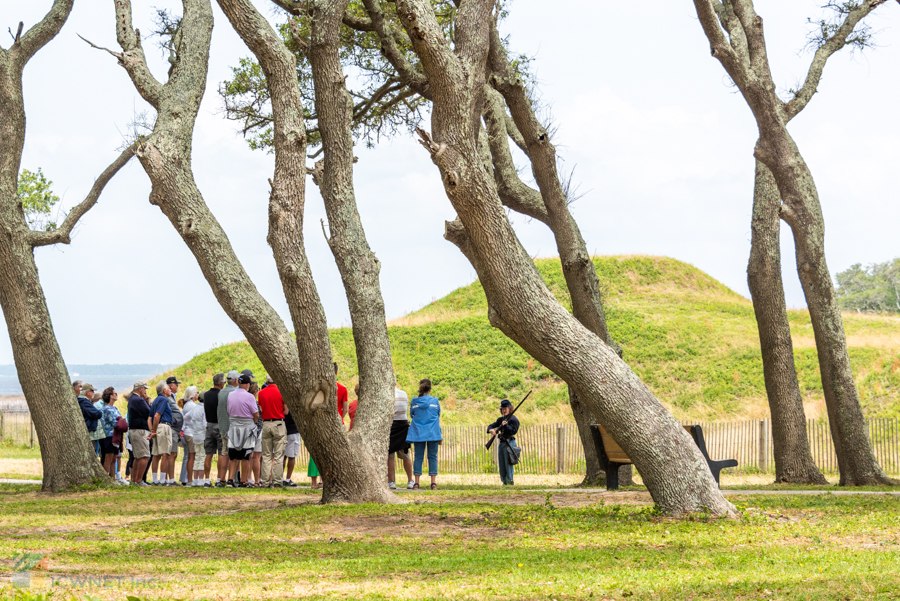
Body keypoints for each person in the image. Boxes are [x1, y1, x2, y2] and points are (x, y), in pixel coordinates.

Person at [406, 378, 442, 490]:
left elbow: (412, 414)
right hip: (433, 432)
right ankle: (433, 482)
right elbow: (438, 413)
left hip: (418, 432)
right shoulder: (435, 401)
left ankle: (416, 483)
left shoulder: (414, 401)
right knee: (432, 456)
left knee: (418, 457)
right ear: (430, 389)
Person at [227, 373, 260, 487]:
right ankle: (243, 480)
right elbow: (255, 414)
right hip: (247, 426)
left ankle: (230, 479)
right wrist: (254, 423)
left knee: (233, 455)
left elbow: (228, 410)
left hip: (233, 426)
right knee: (245, 455)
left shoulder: (230, 395)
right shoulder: (249, 396)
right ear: (246, 385)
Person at [258, 374, 289, 488]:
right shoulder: (281, 392)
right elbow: (286, 411)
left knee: (266, 455)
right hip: (279, 423)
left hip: (266, 423)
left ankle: (265, 481)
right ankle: (277, 481)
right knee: (278, 455)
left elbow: (261, 409)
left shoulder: (261, 393)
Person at [388, 378, 414, 490]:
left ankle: (391, 482)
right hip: (403, 425)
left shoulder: (386, 394)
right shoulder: (403, 394)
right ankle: (410, 480)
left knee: (390, 455)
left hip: (391, 425)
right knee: (405, 454)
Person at [487, 399, 520, 486]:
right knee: (502, 463)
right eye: (503, 409)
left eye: (506, 408)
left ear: (509, 408)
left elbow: (513, 431)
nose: (504, 410)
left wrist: (506, 425)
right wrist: (491, 430)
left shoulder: (513, 419)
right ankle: (504, 482)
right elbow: (490, 426)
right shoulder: (500, 419)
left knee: (508, 464)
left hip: (510, 443)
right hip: (502, 443)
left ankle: (510, 482)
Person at [126, 382, 152, 486]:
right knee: (145, 456)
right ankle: (139, 480)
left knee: (137, 456)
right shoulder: (139, 400)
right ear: (140, 389)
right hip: (140, 430)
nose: (145, 391)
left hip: (134, 430)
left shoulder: (132, 399)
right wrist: (149, 402)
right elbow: (149, 413)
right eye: (144, 389)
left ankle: (134, 480)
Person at [149, 381, 175, 486]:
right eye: (169, 388)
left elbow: (149, 418)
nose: (170, 390)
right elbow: (156, 416)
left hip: (157, 427)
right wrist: (154, 431)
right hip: (163, 426)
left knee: (156, 454)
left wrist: (152, 430)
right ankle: (163, 480)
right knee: (165, 453)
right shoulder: (164, 399)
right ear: (164, 390)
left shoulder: (155, 400)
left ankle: (155, 479)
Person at [202, 373, 226, 486]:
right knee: (221, 453)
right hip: (219, 424)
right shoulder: (221, 394)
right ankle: (218, 479)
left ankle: (207, 480)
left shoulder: (206, 395)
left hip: (209, 425)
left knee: (209, 454)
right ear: (221, 383)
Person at [217, 370, 239, 486]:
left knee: (224, 453)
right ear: (236, 380)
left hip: (223, 427)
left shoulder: (221, 393)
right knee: (234, 455)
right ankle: (232, 479)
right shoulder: (234, 393)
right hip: (232, 428)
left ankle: (222, 479)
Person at [98, 387, 123, 481]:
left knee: (114, 459)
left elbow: (119, 419)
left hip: (117, 435)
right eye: (115, 393)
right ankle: (105, 480)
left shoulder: (115, 408)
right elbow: (115, 422)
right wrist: (122, 423)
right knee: (108, 458)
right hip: (110, 436)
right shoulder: (107, 409)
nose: (117, 395)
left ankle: (113, 479)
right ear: (110, 396)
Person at [181, 386, 200, 486]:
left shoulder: (187, 405)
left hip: (188, 432)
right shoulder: (192, 405)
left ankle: (188, 478)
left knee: (190, 456)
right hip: (191, 432)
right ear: (193, 394)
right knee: (192, 456)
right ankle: (189, 479)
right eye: (197, 392)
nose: (198, 394)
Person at [166, 377, 183, 485]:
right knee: (172, 454)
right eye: (176, 384)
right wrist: (175, 420)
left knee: (174, 454)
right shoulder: (168, 398)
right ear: (171, 385)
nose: (177, 386)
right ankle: (170, 479)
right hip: (172, 428)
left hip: (175, 429)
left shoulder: (171, 397)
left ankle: (170, 478)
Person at [77, 383, 102, 454]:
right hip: (89, 431)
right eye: (92, 391)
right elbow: (97, 414)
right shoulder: (84, 402)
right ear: (87, 392)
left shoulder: (83, 401)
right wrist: (99, 411)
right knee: (93, 452)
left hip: (88, 430)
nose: (93, 393)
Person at [282, 407, 300, 487]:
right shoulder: (294, 403)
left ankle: (280, 478)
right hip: (293, 430)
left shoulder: (281, 401)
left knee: (282, 456)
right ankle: (288, 479)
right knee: (291, 457)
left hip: (282, 429)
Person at [249, 381, 263, 486]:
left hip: (249, 430)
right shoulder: (256, 402)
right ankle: (257, 480)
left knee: (249, 456)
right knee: (257, 457)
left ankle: (248, 478)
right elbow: (258, 416)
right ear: (256, 391)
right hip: (258, 429)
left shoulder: (246, 401)